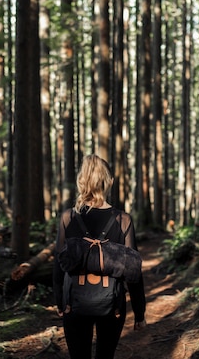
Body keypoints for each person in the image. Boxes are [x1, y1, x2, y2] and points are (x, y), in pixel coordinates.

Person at [53, 154, 147, 359]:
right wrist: (139, 312)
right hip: (113, 304)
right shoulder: (123, 220)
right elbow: (133, 271)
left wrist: (60, 302)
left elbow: (59, 263)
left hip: (74, 303)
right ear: (108, 181)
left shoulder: (68, 218)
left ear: (82, 181)